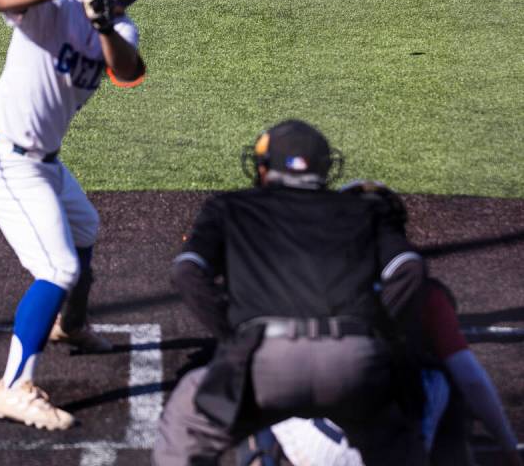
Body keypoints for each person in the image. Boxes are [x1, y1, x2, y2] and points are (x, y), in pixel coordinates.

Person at [152, 120, 428, 466]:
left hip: (264, 360)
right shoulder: (364, 209)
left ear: (264, 169)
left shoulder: (230, 207)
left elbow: (187, 270)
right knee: (400, 436)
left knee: (185, 420)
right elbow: (409, 269)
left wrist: (231, 334)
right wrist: (375, 331)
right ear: (326, 168)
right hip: (354, 362)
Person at [0, 0, 154, 430]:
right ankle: (13, 387)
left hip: (44, 164)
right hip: (6, 162)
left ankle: (70, 325)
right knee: (59, 267)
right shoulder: (47, 9)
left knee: (84, 228)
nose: (133, 0)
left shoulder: (121, 26)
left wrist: (104, 20)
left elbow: (126, 71)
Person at [238, 274, 522, 466]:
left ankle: (259, 459)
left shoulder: (296, 283)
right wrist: (508, 448)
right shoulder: (422, 291)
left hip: (318, 451)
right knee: (443, 375)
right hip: (397, 454)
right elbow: (472, 380)